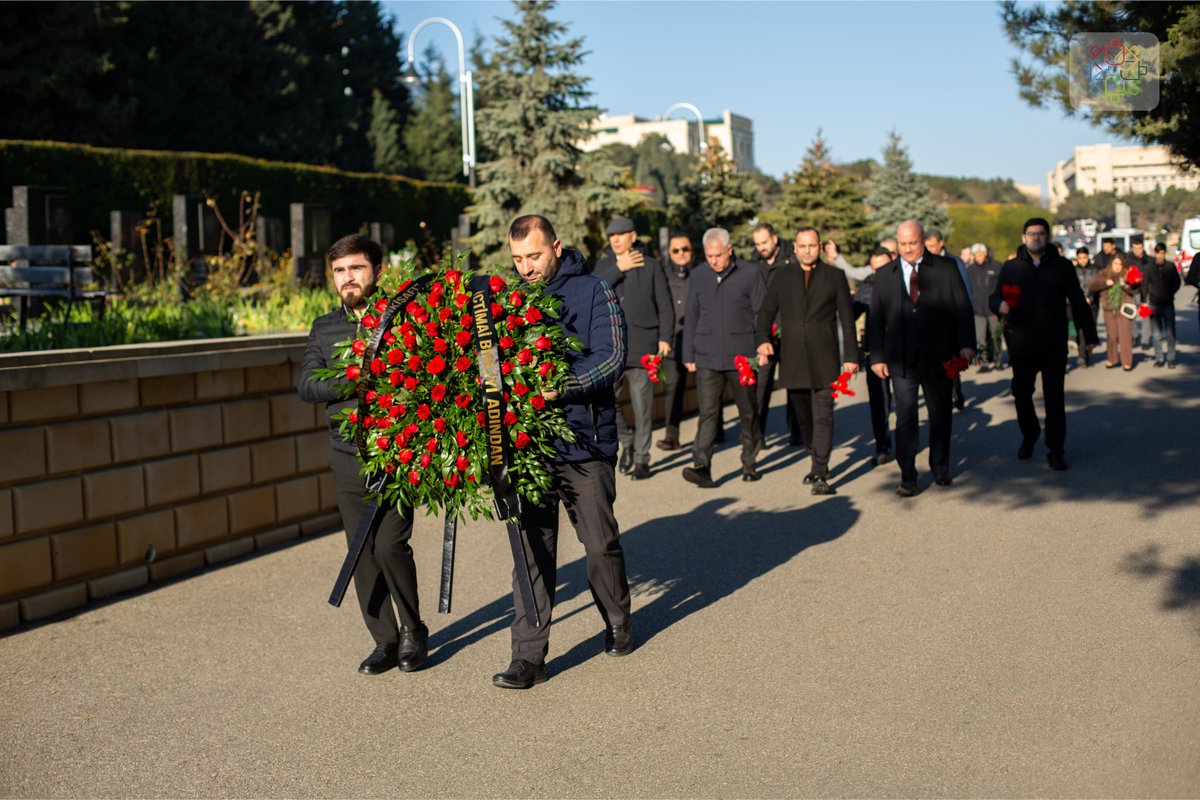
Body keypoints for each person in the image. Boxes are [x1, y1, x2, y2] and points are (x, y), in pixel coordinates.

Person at [494, 214, 633, 690]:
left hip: (585, 443)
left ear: (556, 246)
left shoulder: (596, 290)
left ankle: (616, 619)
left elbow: (612, 357)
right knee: (530, 554)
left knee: (599, 544)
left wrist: (562, 385)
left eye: (534, 256)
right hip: (529, 447)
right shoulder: (508, 301)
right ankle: (528, 658)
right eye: (517, 259)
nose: (526, 268)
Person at [297, 234, 428, 676]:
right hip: (345, 451)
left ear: (377, 270)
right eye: (339, 271)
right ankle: (384, 641)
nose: (347, 278)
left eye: (356, 268)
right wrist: (354, 379)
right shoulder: (324, 327)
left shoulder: (404, 318)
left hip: (395, 449)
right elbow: (307, 385)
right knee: (361, 551)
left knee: (391, 544)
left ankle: (413, 630)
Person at [867, 220, 975, 497]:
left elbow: (962, 308)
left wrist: (966, 345)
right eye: (902, 244)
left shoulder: (945, 268)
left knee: (940, 414)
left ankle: (940, 466)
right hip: (901, 358)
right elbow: (876, 320)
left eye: (913, 243)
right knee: (905, 416)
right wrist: (877, 356)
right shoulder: (884, 275)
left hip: (939, 356)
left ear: (923, 240)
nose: (907, 249)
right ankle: (908, 476)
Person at [989, 218, 1098, 471]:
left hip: (1053, 344)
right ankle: (1030, 434)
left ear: (1047, 237)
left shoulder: (1062, 266)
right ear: (1024, 236)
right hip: (1021, 344)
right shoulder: (1011, 267)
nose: (1035, 238)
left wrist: (1089, 336)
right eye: (1031, 234)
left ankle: (1056, 449)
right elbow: (995, 297)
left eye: (1040, 234)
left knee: (1054, 399)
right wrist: (999, 305)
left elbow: (1077, 301)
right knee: (1021, 393)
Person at [755, 228, 857, 495]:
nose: (807, 249)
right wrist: (762, 339)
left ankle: (820, 471)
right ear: (796, 247)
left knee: (823, 415)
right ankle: (815, 453)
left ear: (820, 247)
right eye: (803, 245)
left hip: (825, 357)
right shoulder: (782, 276)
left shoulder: (835, 276)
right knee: (804, 417)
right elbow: (766, 312)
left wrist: (851, 357)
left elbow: (847, 319)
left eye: (812, 245)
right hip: (793, 358)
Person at [681, 227, 766, 487]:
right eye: (709, 256)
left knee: (748, 411)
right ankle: (701, 466)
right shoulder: (698, 275)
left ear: (730, 250)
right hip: (707, 355)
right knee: (708, 413)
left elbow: (761, 314)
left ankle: (749, 462)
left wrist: (762, 346)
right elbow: (692, 316)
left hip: (742, 356)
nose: (714, 260)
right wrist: (688, 353)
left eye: (718, 255)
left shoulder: (750, 273)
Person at [592, 216, 674, 480]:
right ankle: (627, 441)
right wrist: (619, 267)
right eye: (611, 236)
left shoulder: (651, 266)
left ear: (633, 236)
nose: (615, 239)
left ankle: (642, 459)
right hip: (610, 349)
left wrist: (665, 337)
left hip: (643, 346)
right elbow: (593, 292)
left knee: (643, 406)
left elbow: (665, 304)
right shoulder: (604, 265)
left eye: (620, 234)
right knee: (607, 402)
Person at [748, 222, 802, 445]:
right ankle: (757, 433)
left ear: (775, 239)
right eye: (757, 243)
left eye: (764, 242)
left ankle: (797, 432)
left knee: (794, 383)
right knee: (761, 384)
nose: (761, 247)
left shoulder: (792, 260)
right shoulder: (753, 265)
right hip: (764, 331)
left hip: (789, 328)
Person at [854, 247, 896, 465]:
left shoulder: (904, 282)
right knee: (879, 403)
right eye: (875, 268)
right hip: (875, 352)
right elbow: (853, 312)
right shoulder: (867, 286)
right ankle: (883, 447)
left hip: (900, 351)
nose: (879, 273)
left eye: (884, 268)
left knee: (902, 401)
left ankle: (908, 445)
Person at [655, 232, 696, 451]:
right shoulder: (662, 276)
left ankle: (715, 429)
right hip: (673, 340)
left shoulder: (700, 274)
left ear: (692, 250)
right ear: (669, 253)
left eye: (685, 249)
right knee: (673, 387)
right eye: (676, 250)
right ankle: (672, 435)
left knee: (710, 387)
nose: (681, 254)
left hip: (700, 340)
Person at [1088, 253, 1137, 371]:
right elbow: (1092, 285)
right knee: (1112, 335)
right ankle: (1112, 358)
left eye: (1120, 264)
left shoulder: (1127, 273)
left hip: (1124, 308)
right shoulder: (1104, 273)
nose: (1118, 266)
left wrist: (1125, 286)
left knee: (1125, 335)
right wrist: (1105, 283)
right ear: (1111, 264)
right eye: (1115, 264)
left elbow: (1135, 289)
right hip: (1109, 308)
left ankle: (1127, 361)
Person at [1144, 242, 1181, 368]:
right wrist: (1145, 300)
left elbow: (1177, 282)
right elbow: (1145, 284)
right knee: (1156, 334)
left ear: (1165, 253)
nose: (1160, 256)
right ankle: (1159, 357)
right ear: (1155, 253)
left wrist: (1170, 292)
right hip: (1154, 304)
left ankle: (1171, 358)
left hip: (1168, 303)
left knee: (1170, 333)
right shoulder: (1149, 267)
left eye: (1162, 253)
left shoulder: (1170, 266)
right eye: (1158, 253)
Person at [967, 244, 1002, 370]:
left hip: (993, 309)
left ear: (986, 254)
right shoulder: (970, 270)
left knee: (995, 336)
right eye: (977, 255)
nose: (979, 257)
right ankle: (984, 362)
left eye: (981, 254)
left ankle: (997, 361)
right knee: (979, 338)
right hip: (977, 309)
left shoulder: (996, 266)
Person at [1073, 246, 1098, 367]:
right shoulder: (1073, 271)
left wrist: (1091, 296)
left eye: (1084, 257)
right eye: (1080, 258)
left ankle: (1088, 353)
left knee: (1090, 329)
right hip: (1078, 305)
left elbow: (1096, 285)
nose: (1082, 260)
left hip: (1092, 305)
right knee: (1080, 330)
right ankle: (1081, 355)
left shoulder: (1094, 270)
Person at [1127, 237, 1153, 351]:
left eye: (1140, 248)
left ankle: (1145, 341)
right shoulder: (1127, 260)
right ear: (1132, 248)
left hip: (1145, 292)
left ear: (1143, 247)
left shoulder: (1149, 260)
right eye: (1136, 248)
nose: (1138, 250)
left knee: (1145, 317)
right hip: (1132, 292)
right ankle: (1135, 334)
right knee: (1130, 316)